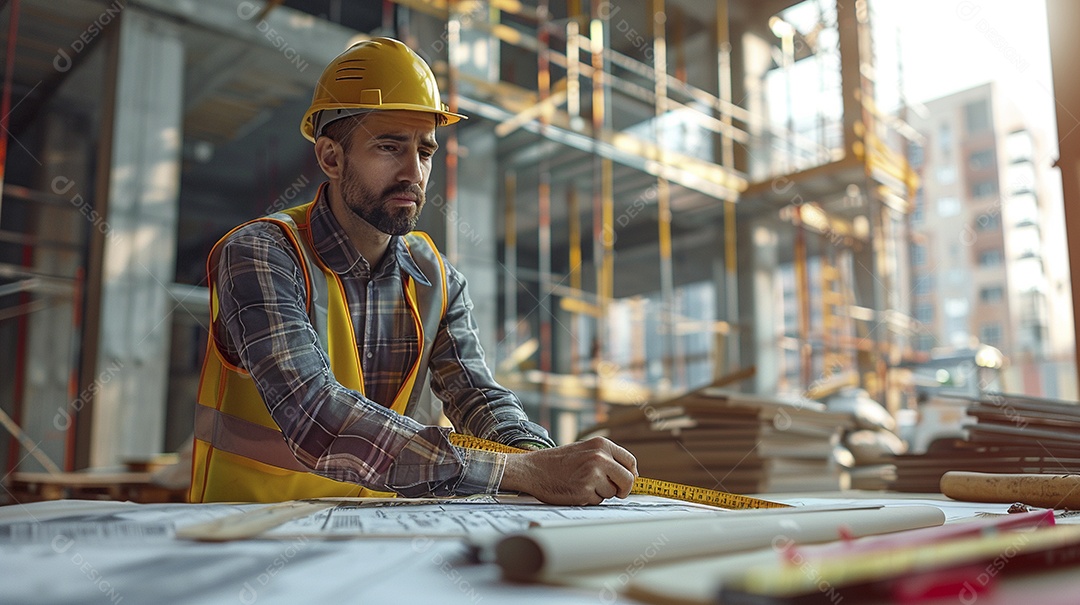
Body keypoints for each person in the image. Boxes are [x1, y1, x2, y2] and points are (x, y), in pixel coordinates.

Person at [189, 37, 637, 505]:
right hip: (246, 530)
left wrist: (538, 457)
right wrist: (519, 471)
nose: (414, 173)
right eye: (389, 147)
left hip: (376, 531)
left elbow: (477, 397)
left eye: (424, 152)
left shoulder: (437, 279)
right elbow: (314, 414)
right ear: (331, 158)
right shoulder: (261, 254)